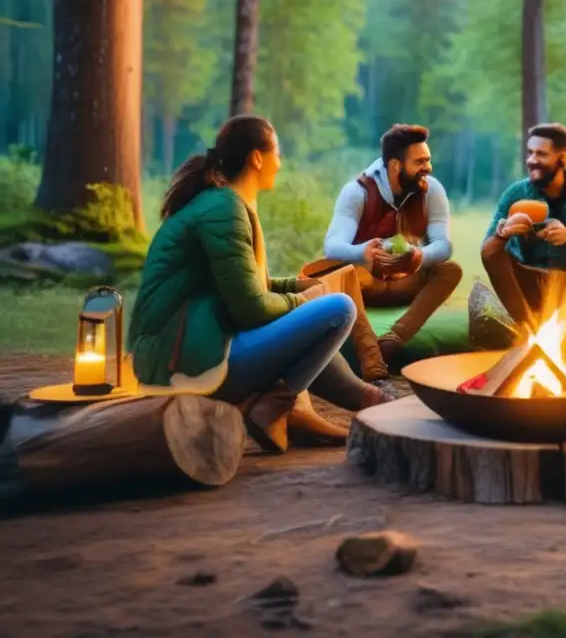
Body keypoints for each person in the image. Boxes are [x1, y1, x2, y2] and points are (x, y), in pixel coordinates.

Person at [128, 115, 392, 455]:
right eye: (277, 152)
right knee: (341, 308)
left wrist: (299, 286)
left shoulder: (225, 203)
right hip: (186, 363)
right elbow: (251, 307)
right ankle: (274, 408)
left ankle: (377, 403)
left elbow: (252, 284)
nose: (280, 163)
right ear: (256, 157)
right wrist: (308, 300)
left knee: (321, 313)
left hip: (192, 348)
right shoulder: (224, 209)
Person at [322, 124, 462, 372]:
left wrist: (419, 255)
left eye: (428, 161)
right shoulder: (357, 191)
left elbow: (443, 245)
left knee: (450, 270)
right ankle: (370, 356)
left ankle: (392, 341)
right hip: (365, 286)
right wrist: (361, 252)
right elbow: (332, 246)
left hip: (407, 281)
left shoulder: (432, 190)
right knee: (336, 272)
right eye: (420, 162)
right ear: (396, 165)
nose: (427, 168)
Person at [481, 123, 566, 333]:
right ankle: (526, 330)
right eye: (529, 153)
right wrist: (503, 234)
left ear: (562, 158)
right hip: (528, 281)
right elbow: (488, 251)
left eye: (541, 154)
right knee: (492, 252)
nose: (531, 160)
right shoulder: (516, 192)